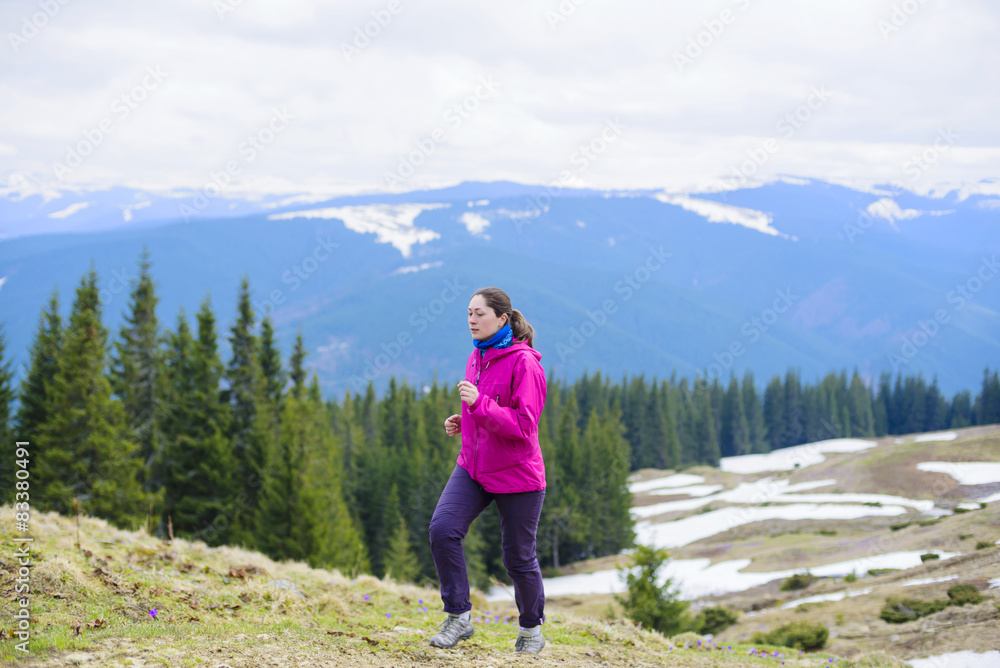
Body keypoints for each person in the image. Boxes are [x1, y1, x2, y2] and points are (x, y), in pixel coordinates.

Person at [427, 286, 548, 654]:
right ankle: (459, 617)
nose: (471, 320)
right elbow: (488, 410)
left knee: (518, 558)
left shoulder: (525, 364)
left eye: (479, 313)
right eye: (468, 313)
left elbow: (524, 428)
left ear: (502, 318)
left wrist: (478, 406)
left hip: (518, 476)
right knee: (442, 529)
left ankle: (531, 631)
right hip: (474, 468)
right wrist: (463, 421)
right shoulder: (476, 356)